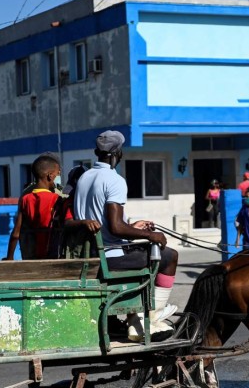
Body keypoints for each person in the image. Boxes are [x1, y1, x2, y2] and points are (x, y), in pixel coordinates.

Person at [73, 130, 179, 342]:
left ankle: (136, 321)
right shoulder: (114, 180)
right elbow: (116, 228)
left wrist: (134, 227)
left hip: (91, 254)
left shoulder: (85, 177)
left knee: (146, 252)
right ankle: (152, 316)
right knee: (169, 255)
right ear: (116, 153)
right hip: (109, 258)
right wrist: (151, 236)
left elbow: (107, 223)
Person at [4, 155, 61, 260]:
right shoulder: (56, 199)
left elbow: (16, 233)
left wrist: (9, 257)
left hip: (30, 256)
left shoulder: (25, 199)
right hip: (51, 255)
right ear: (50, 176)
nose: (59, 177)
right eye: (58, 174)